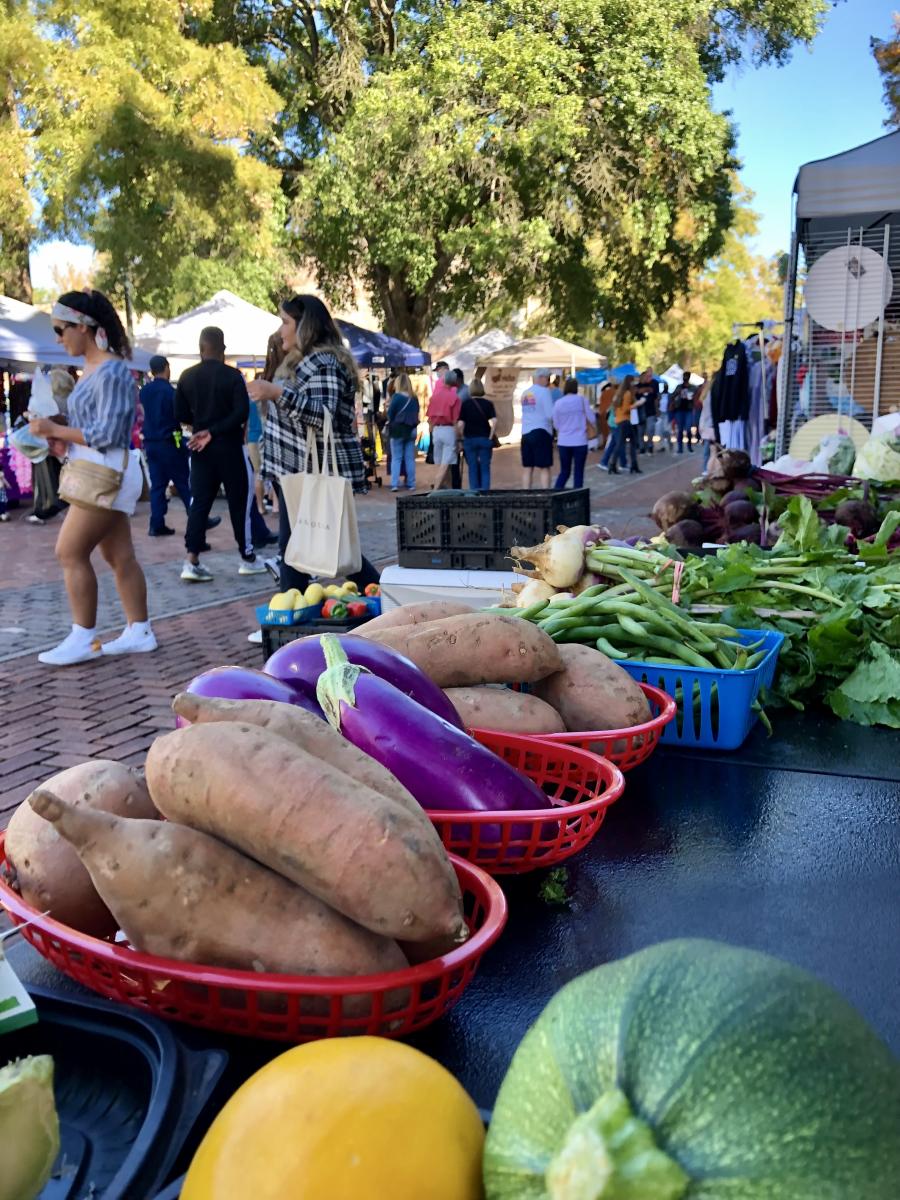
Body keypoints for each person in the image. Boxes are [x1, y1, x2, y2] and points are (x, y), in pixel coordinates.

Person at [27, 289, 156, 665]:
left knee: (69, 551)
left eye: (60, 328)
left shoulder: (111, 370)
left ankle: (83, 636)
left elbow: (110, 434)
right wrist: (60, 433)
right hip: (106, 472)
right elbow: (98, 429)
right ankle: (139, 629)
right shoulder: (99, 369)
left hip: (106, 474)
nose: (57, 337)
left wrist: (57, 429)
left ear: (83, 326)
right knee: (119, 556)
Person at [247, 294, 380, 595]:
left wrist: (276, 393)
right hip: (297, 471)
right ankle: (295, 615)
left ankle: (292, 616)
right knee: (309, 547)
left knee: (306, 548)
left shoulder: (323, 362)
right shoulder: (307, 362)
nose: (281, 330)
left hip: (309, 471)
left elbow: (324, 414)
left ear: (304, 327)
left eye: (285, 322)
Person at [174, 326, 267, 582]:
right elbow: (241, 413)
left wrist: (201, 428)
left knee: (200, 503)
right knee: (240, 503)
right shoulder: (233, 376)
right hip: (230, 448)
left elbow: (179, 414)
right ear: (223, 349)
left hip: (200, 450)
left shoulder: (186, 377)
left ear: (200, 349)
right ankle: (246, 556)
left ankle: (191, 559)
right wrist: (215, 431)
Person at [140, 355, 191, 537]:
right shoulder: (170, 391)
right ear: (166, 368)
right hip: (169, 441)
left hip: (151, 442)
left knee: (158, 485)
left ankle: (157, 523)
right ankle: (196, 518)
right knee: (183, 482)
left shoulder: (145, 391)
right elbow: (179, 415)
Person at [28, 370, 74, 525]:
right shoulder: (71, 399)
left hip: (58, 446)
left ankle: (50, 504)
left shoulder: (55, 402)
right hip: (69, 446)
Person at [552, 378, 594, 489]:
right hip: (580, 440)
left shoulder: (558, 403)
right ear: (576, 388)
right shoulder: (582, 400)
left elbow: (556, 424)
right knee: (578, 472)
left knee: (564, 472)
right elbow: (592, 419)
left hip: (564, 441)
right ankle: (577, 498)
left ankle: (556, 495)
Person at [457, 378, 496, 491]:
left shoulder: (465, 404)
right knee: (485, 468)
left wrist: (461, 437)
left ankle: (474, 492)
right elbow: (494, 421)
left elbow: (460, 424)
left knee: (472, 468)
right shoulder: (488, 404)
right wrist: (490, 436)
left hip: (470, 439)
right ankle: (485, 492)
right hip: (484, 438)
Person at [519, 368, 555, 488]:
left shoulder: (525, 393)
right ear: (541, 378)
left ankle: (526, 494)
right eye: (547, 378)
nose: (548, 381)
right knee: (544, 467)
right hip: (542, 431)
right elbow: (550, 414)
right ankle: (546, 494)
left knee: (527, 467)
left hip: (526, 432)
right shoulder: (544, 392)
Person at [427, 369, 462, 490]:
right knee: (446, 463)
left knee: (441, 463)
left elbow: (429, 418)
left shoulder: (434, 397)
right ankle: (436, 489)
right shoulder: (455, 398)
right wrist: (459, 439)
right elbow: (455, 421)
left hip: (436, 430)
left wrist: (431, 431)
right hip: (448, 430)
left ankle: (448, 488)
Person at [386, 372, 419, 491]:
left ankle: (395, 483)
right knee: (410, 458)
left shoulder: (396, 397)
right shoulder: (414, 397)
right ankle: (411, 483)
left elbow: (390, 414)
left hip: (397, 431)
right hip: (411, 430)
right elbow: (417, 413)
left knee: (396, 458)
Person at [634, 369, 659, 454]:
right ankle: (642, 447)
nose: (646, 378)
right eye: (644, 377)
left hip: (650, 411)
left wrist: (657, 410)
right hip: (640, 412)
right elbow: (635, 393)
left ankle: (650, 446)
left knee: (650, 430)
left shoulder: (653, 385)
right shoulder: (637, 386)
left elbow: (655, 397)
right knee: (640, 431)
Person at [671, 371, 696, 454]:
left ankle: (689, 446)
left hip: (688, 409)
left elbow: (696, 396)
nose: (685, 378)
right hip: (679, 410)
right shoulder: (679, 387)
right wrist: (678, 393)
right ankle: (680, 448)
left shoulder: (692, 387)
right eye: (684, 376)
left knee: (688, 429)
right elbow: (672, 396)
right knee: (680, 429)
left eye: (686, 377)